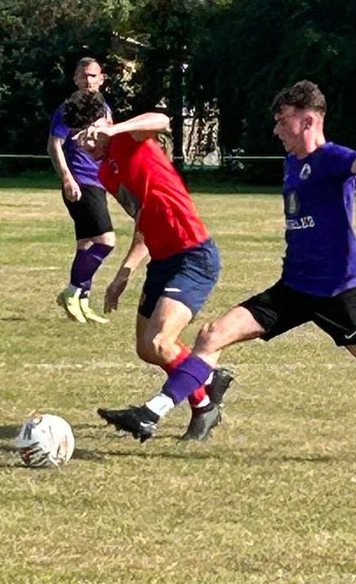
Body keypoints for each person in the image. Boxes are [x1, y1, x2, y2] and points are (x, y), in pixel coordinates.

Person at [100, 80, 356, 461]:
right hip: (291, 290)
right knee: (211, 335)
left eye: (282, 120)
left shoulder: (331, 158)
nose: (276, 129)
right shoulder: (290, 162)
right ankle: (151, 414)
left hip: (336, 295)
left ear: (307, 120)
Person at [66, 90, 233, 441]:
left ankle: (202, 405)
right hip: (161, 259)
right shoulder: (106, 173)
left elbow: (162, 120)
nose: (87, 143)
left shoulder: (129, 137)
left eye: (89, 134)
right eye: (79, 139)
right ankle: (205, 379)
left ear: (102, 124)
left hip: (193, 255)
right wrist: (125, 271)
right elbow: (143, 220)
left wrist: (112, 130)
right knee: (146, 348)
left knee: (160, 341)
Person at [47, 57, 116, 324]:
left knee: (86, 244)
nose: (88, 80)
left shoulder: (104, 107)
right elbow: (54, 144)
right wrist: (67, 178)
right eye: (83, 76)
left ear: (102, 79)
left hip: (98, 181)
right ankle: (72, 291)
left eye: (93, 76)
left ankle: (82, 301)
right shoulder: (70, 109)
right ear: (76, 79)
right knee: (106, 241)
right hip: (81, 181)